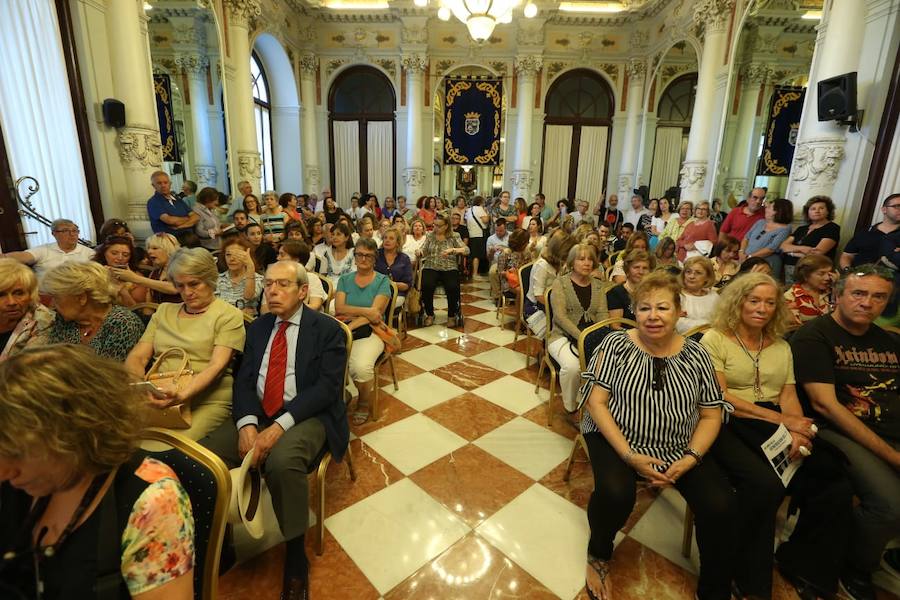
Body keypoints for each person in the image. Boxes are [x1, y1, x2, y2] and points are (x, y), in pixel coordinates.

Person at [580, 272, 736, 600]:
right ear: (633, 313)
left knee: (721, 504)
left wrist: (691, 458)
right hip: (617, 436)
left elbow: (710, 413)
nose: (653, 316)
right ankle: (599, 553)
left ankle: (714, 586)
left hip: (680, 444)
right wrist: (628, 456)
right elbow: (597, 403)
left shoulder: (697, 355)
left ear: (679, 311)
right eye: (644, 308)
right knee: (616, 492)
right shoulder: (615, 345)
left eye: (662, 308)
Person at [199, 260, 346, 600]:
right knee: (203, 457)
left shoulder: (327, 330)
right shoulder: (258, 328)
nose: (274, 291)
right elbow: (245, 380)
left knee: (282, 462)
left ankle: (295, 558)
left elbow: (325, 390)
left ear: (303, 291)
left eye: (283, 284)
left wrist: (279, 426)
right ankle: (222, 542)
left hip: (308, 414)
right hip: (259, 411)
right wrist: (247, 423)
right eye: (268, 285)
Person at [0, 344, 195, 600]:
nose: (4, 472)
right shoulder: (16, 478)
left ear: (75, 436)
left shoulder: (153, 499)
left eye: (19, 453)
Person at [701, 273, 853, 600]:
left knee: (836, 483)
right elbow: (721, 398)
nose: (762, 308)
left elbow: (788, 395)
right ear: (737, 301)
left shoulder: (783, 346)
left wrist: (796, 429)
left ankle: (803, 565)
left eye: (770, 302)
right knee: (765, 485)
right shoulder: (715, 339)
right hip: (729, 423)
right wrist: (785, 422)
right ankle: (746, 577)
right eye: (754, 300)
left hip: (772, 424)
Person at [790, 265, 899, 600]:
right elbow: (825, 406)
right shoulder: (815, 335)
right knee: (890, 504)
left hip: (891, 425)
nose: (868, 303)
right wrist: (894, 457)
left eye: (878, 297)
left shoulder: (890, 341)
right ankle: (856, 567)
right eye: (859, 293)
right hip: (839, 431)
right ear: (838, 294)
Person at [125, 248, 246, 440]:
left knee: (167, 445)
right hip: (160, 395)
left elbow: (217, 366)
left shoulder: (228, 315)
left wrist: (182, 395)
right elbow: (138, 356)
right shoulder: (164, 311)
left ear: (210, 280)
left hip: (206, 400)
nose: (187, 292)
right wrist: (142, 387)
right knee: (124, 441)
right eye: (180, 286)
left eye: (194, 284)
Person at [335, 238, 392, 424]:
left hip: (371, 331)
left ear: (375, 258)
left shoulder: (383, 281)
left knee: (360, 367)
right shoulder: (345, 280)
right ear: (355, 256)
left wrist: (351, 326)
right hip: (345, 327)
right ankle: (337, 396)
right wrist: (366, 311)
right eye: (359, 254)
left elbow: (376, 315)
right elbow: (340, 308)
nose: (363, 258)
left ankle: (364, 402)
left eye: (368, 255)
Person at [548, 243, 609, 412]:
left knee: (609, 363)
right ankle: (572, 406)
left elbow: (603, 314)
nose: (587, 263)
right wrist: (583, 336)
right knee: (573, 367)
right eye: (581, 259)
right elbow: (560, 317)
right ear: (572, 262)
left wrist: (601, 338)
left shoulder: (598, 285)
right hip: (562, 336)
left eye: (590, 259)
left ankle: (599, 406)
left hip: (592, 336)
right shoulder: (560, 283)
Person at [44, 261, 145, 360]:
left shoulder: (124, 323)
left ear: (81, 298)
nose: (53, 305)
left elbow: (110, 373)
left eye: (56, 298)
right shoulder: (65, 320)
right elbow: (52, 359)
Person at [0, 219, 94, 289]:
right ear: (54, 234)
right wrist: (4, 257)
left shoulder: (89, 253)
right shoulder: (44, 250)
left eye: (75, 231)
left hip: (77, 297)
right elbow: (23, 256)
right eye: (65, 231)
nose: (72, 234)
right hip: (45, 298)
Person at [419, 213, 469, 328]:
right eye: (434, 225)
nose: (435, 228)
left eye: (439, 226)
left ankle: (451, 315)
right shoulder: (430, 235)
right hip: (431, 265)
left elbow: (466, 250)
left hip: (449, 267)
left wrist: (453, 250)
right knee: (426, 285)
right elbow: (424, 249)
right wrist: (420, 252)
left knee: (452, 286)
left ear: (446, 225)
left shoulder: (454, 236)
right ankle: (430, 314)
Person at [0, 259, 54, 361]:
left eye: (19, 293)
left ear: (30, 294)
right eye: (1, 295)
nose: (11, 302)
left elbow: (25, 370)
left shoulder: (44, 322)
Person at [780, 196, 841, 283]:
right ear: (808, 212)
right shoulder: (801, 229)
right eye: (813, 209)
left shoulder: (832, 228)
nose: (817, 211)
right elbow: (783, 246)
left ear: (828, 211)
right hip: (790, 267)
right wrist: (803, 249)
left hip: (814, 271)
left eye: (821, 208)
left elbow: (817, 254)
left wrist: (791, 252)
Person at [110, 233, 182, 305]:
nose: (149, 252)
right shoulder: (154, 273)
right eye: (148, 248)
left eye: (155, 248)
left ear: (169, 249)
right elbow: (149, 305)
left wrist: (134, 278)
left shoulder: (181, 269)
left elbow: (174, 288)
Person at [839, 193, 900, 269]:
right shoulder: (865, 232)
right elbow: (847, 255)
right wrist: (847, 270)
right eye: (897, 206)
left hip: (892, 279)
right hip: (859, 277)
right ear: (884, 209)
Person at [527, 230, 576, 317]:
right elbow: (538, 295)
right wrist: (557, 308)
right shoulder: (542, 266)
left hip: (550, 302)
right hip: (535, 306)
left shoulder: (558, 263)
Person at [740, 198, 793, 277]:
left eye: (769, 207)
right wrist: (741, 252)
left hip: (766, 263)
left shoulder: (785, 229)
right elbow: (746, 238)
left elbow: (771, 249)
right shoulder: (760, 222)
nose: (766, 209)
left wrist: (750, 257)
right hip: (746, 260)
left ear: (777, 211)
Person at [92, 236, 149, 307]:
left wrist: (121, 289)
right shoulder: (92, 271)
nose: (120, 258)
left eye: (125, 255)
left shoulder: (136, 277)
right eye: (114, 253)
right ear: (104, 253)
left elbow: (136, 310)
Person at [217, 236, 265, 317]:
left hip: (247, 324)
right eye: (228, 254)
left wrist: (250, 266)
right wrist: (237, 312)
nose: (231, 259)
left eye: (237, 255)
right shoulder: (217, 279)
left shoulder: (258, 278)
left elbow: (248, 296)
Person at [275, 240, 328, 311]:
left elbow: (315, 306)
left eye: (282, 255)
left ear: (296, 260)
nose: (278, 258)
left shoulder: (311, 278)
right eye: (278, 254)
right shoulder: (274, 279)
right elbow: (264, 310)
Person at [783, 254, 834, 324]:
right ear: (805, 275)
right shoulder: (791, 296)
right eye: (821, 274)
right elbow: (794, 329)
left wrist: (837, 286)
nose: (827, 278)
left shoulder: (832, 292)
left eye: (829, 273)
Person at [146, 171, 199, 238]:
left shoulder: (178, 199)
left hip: (189, 239)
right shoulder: (153, 202)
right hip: (169, 242)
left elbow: (196, 217)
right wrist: (189, 219)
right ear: (153, 185)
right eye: (159, 183)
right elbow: (170, 221)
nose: (163, 185)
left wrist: (181, 226)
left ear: (170, 184)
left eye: (165, 182)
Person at [607, 249, 654, 324]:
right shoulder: (615, 293)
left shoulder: (653, 292)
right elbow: (615, 326)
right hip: (625, 334)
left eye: (645, 268)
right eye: (636, 267)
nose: (641, 272)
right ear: (627, 270)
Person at [676, 256, 719, 334]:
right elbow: (677, 323)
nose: (691, 276)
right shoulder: (676, 295)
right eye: (688, 272)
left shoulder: (714, 297)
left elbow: (721, 321)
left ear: (707, 277)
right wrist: (706, 327)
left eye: (698, 273)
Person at [375, 228, 413, 302]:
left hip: (397, 293)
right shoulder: (376, 255)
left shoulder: (404, 259)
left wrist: (390, 284)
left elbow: (406, 285)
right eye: (385, 238)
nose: (387, 240)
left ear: (397, 243)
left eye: (391, 238)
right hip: (375, 291)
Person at [496, 229, 530, 300]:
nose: (528, 243)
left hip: (522, 280)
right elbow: (500, 272)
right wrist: (510, 273)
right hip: (509, 282)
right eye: (526, 241)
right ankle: (520, 311)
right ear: (521, 242)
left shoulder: (526, 253)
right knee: (522, 291)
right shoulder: (505, 253)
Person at [465, 196, 491, 276]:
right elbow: (485, 220)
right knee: (477, 254)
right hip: (479, 234)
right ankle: (475, 273)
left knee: (473, 253)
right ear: (481, 202)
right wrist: (488, 215)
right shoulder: (480, 209)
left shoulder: (469, 210)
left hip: (471, 233)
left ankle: (473, 272)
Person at [487, 218, 511, 299]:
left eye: (501, 231)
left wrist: (504, 250)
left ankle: (510, 293)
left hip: (511, 262)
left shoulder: (512, 236)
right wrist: (492, 251)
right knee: (493, 272)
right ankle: (497, 297)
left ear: (505, 228)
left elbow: (516, 251)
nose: (498, 233)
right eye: (496, 230)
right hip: (496, 262)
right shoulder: (490, 239)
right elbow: (489, 258)